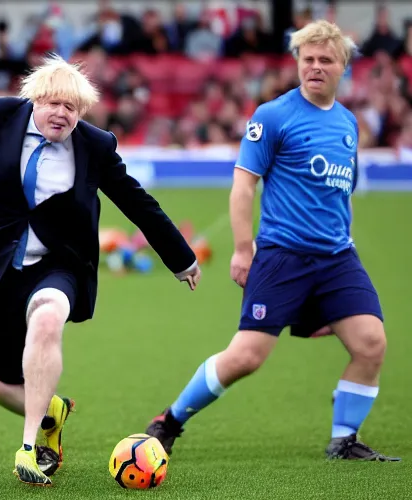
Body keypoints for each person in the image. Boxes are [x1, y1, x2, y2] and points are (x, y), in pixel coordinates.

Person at [0, 54, 201, 486]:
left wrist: (181, 257)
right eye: (54, 103)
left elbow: (137, 202)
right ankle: (51, 412)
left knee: (46, 316)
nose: (62, 114)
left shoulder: (95, 146)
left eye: (72, 108)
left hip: (61, 264)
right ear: (35, 99)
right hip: (1, 264)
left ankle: (29, 450)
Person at [145, 20, 400, 462]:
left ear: (343, 68)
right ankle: (168, 422)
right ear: (297, 63)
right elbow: (243, 186)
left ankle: (343, 440)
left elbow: (343, 194)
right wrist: (244, 250)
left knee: (371, 343)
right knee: (246, 357)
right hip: (282, 257)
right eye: (308, 60)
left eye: (325, 60)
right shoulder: (274, 116)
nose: (315, 67)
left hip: (338, 258)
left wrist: (349, 240)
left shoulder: (348, 123)